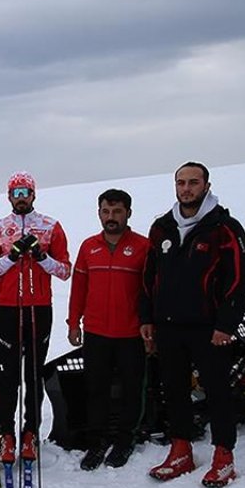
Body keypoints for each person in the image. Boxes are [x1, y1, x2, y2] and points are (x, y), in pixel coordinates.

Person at [141, 162, 245, 488]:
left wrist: (227, 324)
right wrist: (147, 317)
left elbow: (239, 280)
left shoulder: (224, 227)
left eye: (193, 182)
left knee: (217, 390)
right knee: (174, 390)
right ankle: (181, 449)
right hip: (169, 325)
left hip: (209, 328)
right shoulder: (162, 227)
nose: (186, 188)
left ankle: (223, 455)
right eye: (181, 183)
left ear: (206, 185)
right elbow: (149, 278)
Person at [0, 172, 72, 465]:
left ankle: (30, 432)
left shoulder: (50, 226)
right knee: (8, 377)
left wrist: (42, 257)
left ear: (33, 195)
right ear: (8, 196)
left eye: (25, 192)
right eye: (15, 192)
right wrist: (11, 257)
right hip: (7, 308)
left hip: (39, 307)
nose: (21, 197)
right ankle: (7, 435)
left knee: (33, 374)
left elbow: (64, 270)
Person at [67, 189, 151, 470]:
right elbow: (79, 289)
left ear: (128, 212)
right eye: (106, 211)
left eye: (117, 212)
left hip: (131, 333)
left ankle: (125, 440)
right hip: (96, 332)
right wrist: (73, 323)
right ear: (99, 213)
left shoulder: (143, 247)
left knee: (131, 389)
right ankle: (96, 442)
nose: (111, 217)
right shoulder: (89, 247)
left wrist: (152, 327)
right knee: (96, 390)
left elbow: (152, 291)